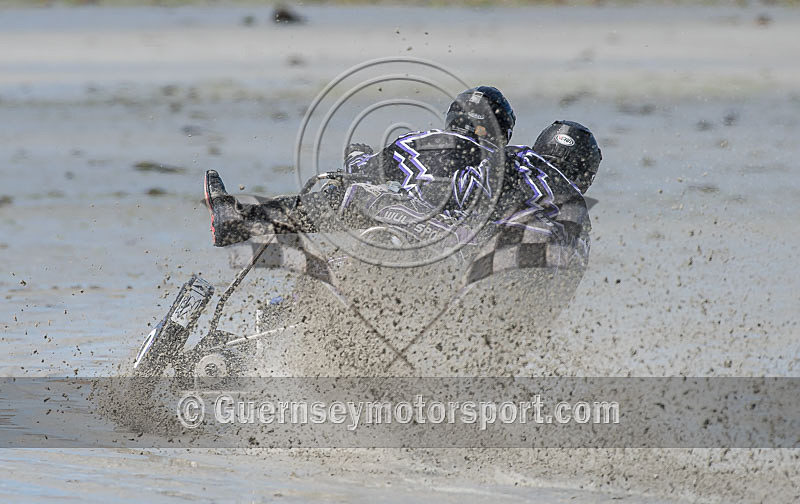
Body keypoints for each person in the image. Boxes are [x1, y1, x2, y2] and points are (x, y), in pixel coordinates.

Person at [205, 86, 517, 248]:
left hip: (409, 228)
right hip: (462, 248)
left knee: (353, 195)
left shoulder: (423, 140)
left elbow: (362, 171)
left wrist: (356, 152)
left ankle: (240, 221)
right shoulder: (510, 163)